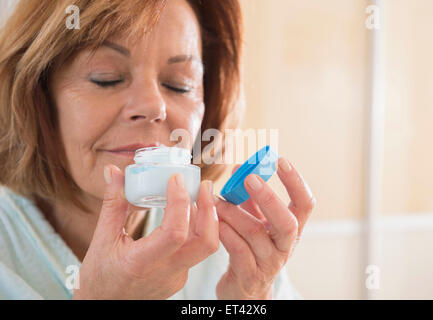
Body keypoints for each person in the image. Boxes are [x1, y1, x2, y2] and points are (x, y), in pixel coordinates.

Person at [0, 0, 315, 299]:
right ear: (38, 95)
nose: (154, 107)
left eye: (180, 84)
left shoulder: (231, 250)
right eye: (106, 79)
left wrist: (248, 299)